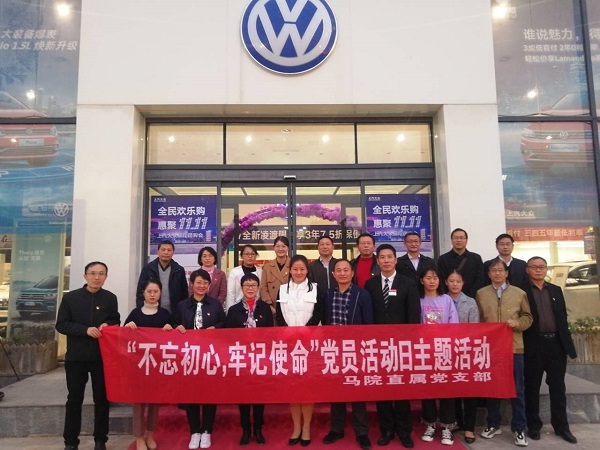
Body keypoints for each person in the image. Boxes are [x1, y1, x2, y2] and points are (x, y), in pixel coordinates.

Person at [55, 261, 120, 450]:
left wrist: (108, 325)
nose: (97, 277)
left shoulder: (110, 298)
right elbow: (61, 324)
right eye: (93, 273)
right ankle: (70, 442)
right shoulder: (71, 298)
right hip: (76, 357)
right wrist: (85, 330)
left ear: (106, 277)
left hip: (102, 357)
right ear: (85, 276)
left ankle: (100, 440)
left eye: (101, 273)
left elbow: (115, 319)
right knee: (74, 400)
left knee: (102, 399)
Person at [364, 244, 420, 448]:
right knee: (383, 389)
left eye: (390, 257)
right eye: (382, 257)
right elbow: (368, 315)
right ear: (377, 261)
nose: (386, 261)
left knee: (402, 389)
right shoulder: (370, 284)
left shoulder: (408, 283)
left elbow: (413, 315)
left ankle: (404, 431)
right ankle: (386, 429)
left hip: (401, 346)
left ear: (396, 260)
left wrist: (410, 342)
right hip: (378, 346)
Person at [476, 259, 532, 448]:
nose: (497, 273)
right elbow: (479, 319)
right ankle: (493, 424)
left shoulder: (519, 293)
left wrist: (518, 323)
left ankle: (519, 428)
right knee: (492, 388)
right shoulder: (481, 293)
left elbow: (528, 317)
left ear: (507, 273)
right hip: (491, 349)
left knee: (517, 389)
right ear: (489, 274)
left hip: (514, 347)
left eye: (501, 270)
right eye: (493, 270)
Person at [522, 256, 578, 444]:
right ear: (527, 270)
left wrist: (566, 345)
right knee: (532, 387)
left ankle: (562, 427)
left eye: (542, 267)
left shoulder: (555, 290)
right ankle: (533, 426)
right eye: (534, 267)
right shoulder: (522, 291)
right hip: (534, 345)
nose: (538, 270)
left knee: (558, 387)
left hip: (556, 345)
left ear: (546, 269)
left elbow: (562, 318)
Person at [322, 259, 373, 450]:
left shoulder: (362, 294)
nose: (342, 273)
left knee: (357, 391)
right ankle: (337, 428)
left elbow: (368, 323)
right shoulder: (328, 294)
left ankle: (361, 432)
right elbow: (325, 321)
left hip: (355, 350)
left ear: (352, 273)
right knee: (336, 391)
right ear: (333, 274)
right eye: (339, 270)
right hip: (334, 350)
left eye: (346, 270)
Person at [173, 269, 226, 450]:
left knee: (209, 394)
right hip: (189, 357)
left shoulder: (215, 305)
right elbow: (174, 324)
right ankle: (195, 431)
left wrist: (216, 329)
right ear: (192, 284)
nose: (202, 286)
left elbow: (224, 324)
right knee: (191, 394)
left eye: (205, 283)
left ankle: (207, 430)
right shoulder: (182, 306)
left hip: (210, 357)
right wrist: (177, 327)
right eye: (199, 282)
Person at [276, 254, 325, 447]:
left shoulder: (316, 289)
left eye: (302, 269)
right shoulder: (282, 289)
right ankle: (296, 428)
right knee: (294, 389)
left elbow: (319, 313)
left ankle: (306, 429)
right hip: (289, 346)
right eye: (295, 269)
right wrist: (289, 332)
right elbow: (279, 316)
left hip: (310, 345)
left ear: (307, 271)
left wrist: (305, 331)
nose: (298, 272)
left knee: (307, 388)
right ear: (290, 270)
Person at [124, 279, 173, 450]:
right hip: (138, 366)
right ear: (143, 293)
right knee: (138, 402)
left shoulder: (165, 315)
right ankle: (139, 437)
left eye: (156, 291)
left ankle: (150, 434)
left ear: (160, 293)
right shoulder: (135, 314)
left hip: (156, 366)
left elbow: (174, 340)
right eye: (149, 291)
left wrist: (170, 329)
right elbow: (123, 339)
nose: (152, 295)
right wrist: (127, 328)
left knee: (154, 401)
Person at [226, 273, 273, 446]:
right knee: (243, 396)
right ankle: (246, 429)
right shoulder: (233, 311)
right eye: (247, 285)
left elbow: (271, 334)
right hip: (241, 360)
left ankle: (258, 429)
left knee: (259, 396)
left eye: (253, 285)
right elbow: (228, 338)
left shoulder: (265, 309)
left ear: (258, 288)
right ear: (242, 288)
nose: (250, 288)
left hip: (260, 360)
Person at [418, 267, 459, 446]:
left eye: (435, 277)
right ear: (422, 281)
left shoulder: (446, 299)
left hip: (444, 351)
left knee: (446, 389)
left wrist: (447, 345)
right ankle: (430, 424)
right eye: (428, 278)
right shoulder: (418, 300)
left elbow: (453, 324)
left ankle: (447, 427)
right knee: (428, 390)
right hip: (425, 351)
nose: (432, 281)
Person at [445, 270, 480, 444]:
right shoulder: (442, 300)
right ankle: (456, 422)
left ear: (463, 283)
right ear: (446, 282)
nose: (455, 284)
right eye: (451, 281)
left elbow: (474, 329)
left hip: (466, 351)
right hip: (446, 352)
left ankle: (469, 427)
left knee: (469, 391)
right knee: (452, 390)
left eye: (458, 281)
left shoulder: (471, 302)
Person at [136, 239, 188, 313]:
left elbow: (184, 294)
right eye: (163, 250)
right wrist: (141, 312)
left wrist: (183, 312)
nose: (166, 252)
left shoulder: (179, 270)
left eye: (169, 250)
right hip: (152, 312)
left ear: (173, 252)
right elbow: (140, 293)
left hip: (174, 313)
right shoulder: (148, 268)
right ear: (158, 251)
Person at [437, 228, 484, 298]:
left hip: (472, 298)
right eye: (456, 238)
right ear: (451, 240)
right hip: (449, 299)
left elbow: (480, 279)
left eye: (461, 238)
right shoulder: (443, 259)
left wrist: (469, 297)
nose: (458, 240)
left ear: (466, 240)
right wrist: (447, 297)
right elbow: (441, 281)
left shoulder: (476, 258)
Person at [225, 244, 263, 313]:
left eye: (252, 254)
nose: (250, 256)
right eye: (247, 254)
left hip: (257, 308)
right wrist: (230, 312)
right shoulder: (235, 272)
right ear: (241, 256)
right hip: (238, 308)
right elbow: (231, 294)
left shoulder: (260, 272)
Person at [260, 236, 290, 317]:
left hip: (290, 307)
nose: (280, 249)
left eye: (283, 246)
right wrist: (269, 305)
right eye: (277, 246)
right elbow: (263, 287)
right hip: (272, 308)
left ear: (288, 248)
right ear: (274, 248)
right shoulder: (267, 267)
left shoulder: (293, 265)